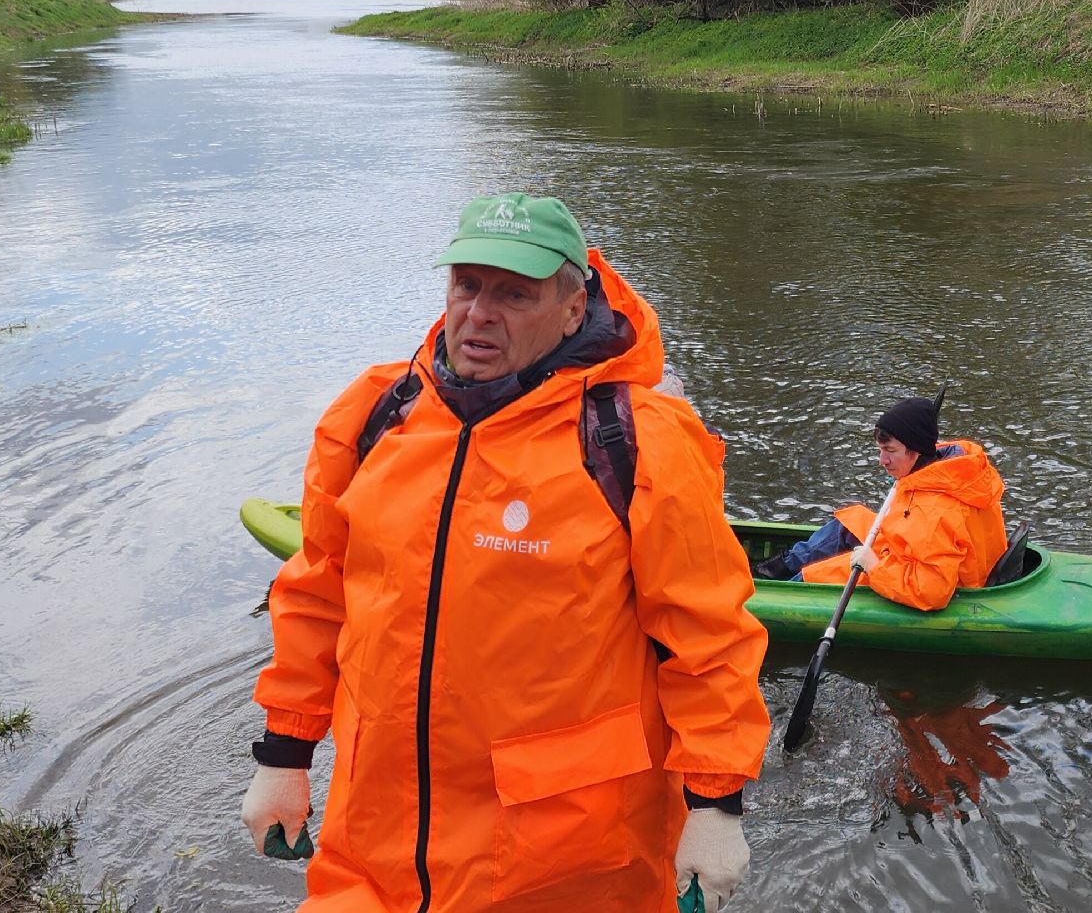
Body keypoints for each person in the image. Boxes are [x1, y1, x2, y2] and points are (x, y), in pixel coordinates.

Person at [242, 193, 770, 912]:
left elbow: (706, 632)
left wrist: (715, 804)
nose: (480, 313)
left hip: (568, 859)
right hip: (375, 839)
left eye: (515, 294)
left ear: (572, 310)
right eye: (467, 285)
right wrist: (284, 754)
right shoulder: (377, 413)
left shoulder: (635, 439)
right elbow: (315, 593)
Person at [752, 395, 1008, 611]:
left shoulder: (935, 510)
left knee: (822, 573)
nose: (882, 460)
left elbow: (931, 591)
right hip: (914, 551)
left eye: (891, 451)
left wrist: (874, 567)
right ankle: (769, 572)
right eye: (881, 450)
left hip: (933, 580)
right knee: (848, 524)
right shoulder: (947, 466)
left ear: (916, 451)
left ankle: (776, 599)